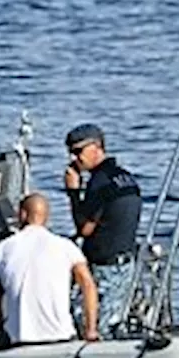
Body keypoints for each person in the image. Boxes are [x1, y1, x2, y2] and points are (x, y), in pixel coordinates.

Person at [0, 192, 99, 346]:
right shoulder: (66, 247)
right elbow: (88, 284)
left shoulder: (3, 248)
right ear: (46, 217)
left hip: (20, 337)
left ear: (22, 214)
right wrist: (90, 329)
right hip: (61, 336)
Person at [63, 123, 142, 336]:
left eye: (79, 151)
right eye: (71, 153)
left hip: (105, 267)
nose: (74, 158)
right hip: (126, 262)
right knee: (116, 322)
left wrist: (73, 192)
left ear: (96, 147)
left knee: (94, 327)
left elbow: (84, 228)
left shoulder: (99, 182)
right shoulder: (124, 177)